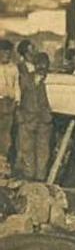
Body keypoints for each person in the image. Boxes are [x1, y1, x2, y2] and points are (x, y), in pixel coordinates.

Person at [15, 52, 53, 180]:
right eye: (39, 64)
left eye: (45, 65)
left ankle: (40, 178)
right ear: (35, 65)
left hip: (44, 120)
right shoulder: (24, 79)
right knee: (26, 149)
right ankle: (29, 176)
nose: (42, 67)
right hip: (27, 119)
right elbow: (18, 98)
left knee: (43, 150)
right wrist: (21, 117)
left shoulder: (51, 81)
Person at [0, 40, 20, 177]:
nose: (6, 55)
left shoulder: (13, 68)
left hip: (9, 103)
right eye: (3, 52)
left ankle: (3, 165)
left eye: (8, 52)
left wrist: (17, 101)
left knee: (6, 135)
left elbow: (17, 86)